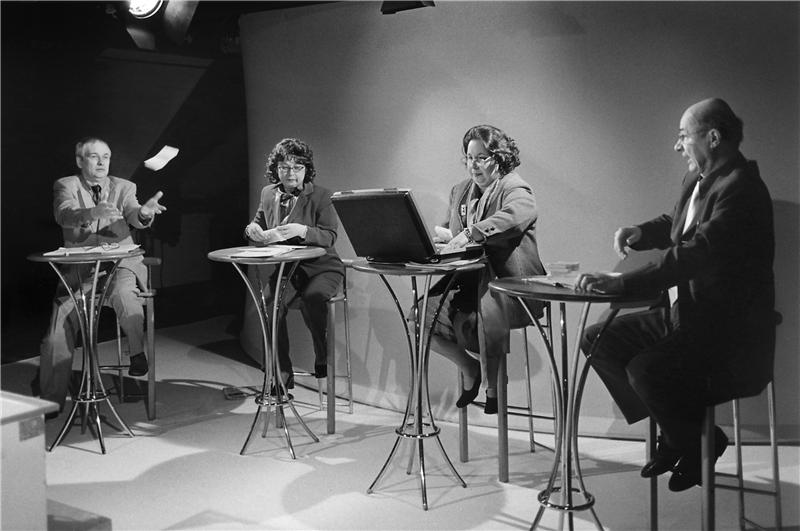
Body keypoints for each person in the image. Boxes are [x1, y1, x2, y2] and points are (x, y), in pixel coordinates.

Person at [576, 98, 775, 491]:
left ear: (713, 137)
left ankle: (693, 442)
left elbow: (697, 252)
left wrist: (622, 283)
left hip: (726, 331)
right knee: (598, 340)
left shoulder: (742, 189)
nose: (677, 145)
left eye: (684, 135)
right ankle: (686, 436)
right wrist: (640, 232)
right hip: (685, 314)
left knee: (646, 371)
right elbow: (678, 224)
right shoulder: (698, 178)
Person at [38, 137, 167, 415]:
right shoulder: (66, 185)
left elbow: (133, 212)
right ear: (80, 161)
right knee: (57, 331)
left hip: (120, 264)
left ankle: (136, 352)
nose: (101, 162)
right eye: (94, 156)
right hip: (81, 271)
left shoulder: (124, 187)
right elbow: (64, 213)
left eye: (105, 157)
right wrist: (90, 213)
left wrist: (144, 214)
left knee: (125, 295)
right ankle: (51, 399)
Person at [427, 124, 546, 414]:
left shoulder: (515, 188)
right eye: (470, 158)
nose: (474, 165)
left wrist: (471, 233)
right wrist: (444, 239)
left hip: (506, 284)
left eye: (482, 158)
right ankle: (470, 368)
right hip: (467, 279)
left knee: (480, 319)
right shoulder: (460, 191)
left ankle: (495, 386)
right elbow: (454, 231)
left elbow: (516, 216)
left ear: (499, 157)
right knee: (419, 319)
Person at [244, 138, 344, 390]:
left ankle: (322, 354)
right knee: (269, 305)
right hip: (287, 269)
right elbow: (259, 223)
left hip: (323, 268)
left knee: (313, 297)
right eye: (284, 167)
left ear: (306, 170)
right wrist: (252, 229)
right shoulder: (268, 193)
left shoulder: (322, 195)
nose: (291, 173)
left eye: (297, 167)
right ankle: (281, 375)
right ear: (275, 169)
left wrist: (303, 231)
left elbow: (330, 236)